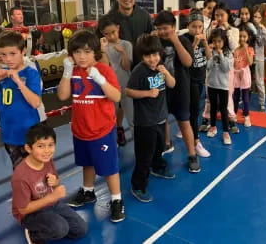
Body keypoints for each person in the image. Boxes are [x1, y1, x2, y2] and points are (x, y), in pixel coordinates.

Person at [56, 29, 125, 223]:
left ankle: (116, 200)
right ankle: (88, 192)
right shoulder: (74, 72)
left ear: (95, 52)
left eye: (86, 52)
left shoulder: (104, 70)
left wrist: (100, 80)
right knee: (86, 162)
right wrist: (67, 72)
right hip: (80, 129)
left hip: (102, 129)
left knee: (109, 167)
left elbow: (117, 96)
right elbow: (62, 95)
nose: (82, 56)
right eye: (77, 52)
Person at [11, 123, 88, 244]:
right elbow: (23, 210)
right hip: (31, 213)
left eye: (50, 145)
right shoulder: (20, 176)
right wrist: (52, 197)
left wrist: (55, 182)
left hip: (51, 204)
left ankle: (51, 222)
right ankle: (34, 234)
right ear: (28, 148)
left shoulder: (47, 160)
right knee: (60, 229)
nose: (47, 151)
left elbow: (55, 183)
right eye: (40, 146)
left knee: (80, 230)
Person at [126, 34, 176, 202]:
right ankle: (138, 185)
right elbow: (128, 91)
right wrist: (147, 93)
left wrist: (166, 73)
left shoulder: (161, 66)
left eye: (155, 54)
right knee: (144, 155)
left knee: (159, 147)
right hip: (145, 121)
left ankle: (158, 167)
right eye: (148, 56)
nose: (153, 59)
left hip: (161, 118)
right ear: (142, 56)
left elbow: (172, 84)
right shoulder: (139, 70)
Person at [0, 31, 42, 168]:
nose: (8, 59)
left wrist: (19, 82)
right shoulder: (1, 76)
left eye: (12, 54)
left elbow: (35, 102)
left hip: (30, 133)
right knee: (20, 172)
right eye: (3, 55)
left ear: (23, 51)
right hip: (9, 133)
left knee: (37, 171)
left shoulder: (30, 73)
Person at [154, 10, 201, 173]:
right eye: (159, 28)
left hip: (181, 89)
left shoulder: (182, 40)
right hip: (161, 89)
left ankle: (192, 155)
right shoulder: (156, 43)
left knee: (184, 121)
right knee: (162, 119)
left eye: (165, 28)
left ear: (173, 27)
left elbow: (188, 62)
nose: (162, 32)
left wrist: (175, 40)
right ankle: (166, 144)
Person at [0, 27, 47, 130]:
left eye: (11, 52)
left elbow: (37, 92)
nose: (0, 56)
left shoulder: (28, 64)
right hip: (8, 121)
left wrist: (17, 80)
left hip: (35, 118)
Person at [199, 3, 240, 134]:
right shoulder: (211, 28)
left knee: (227, 95)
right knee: (208, 96)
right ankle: (207, 119)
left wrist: (227, 29)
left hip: (226, 66)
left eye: (222, 15)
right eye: (217, 15)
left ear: (228, 15)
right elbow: (206, 44)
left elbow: (234, 47)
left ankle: (231, 119)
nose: (219, 17)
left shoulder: (234, 30)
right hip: (212, 66)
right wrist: (212, 30)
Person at [97, 15, 133, 146]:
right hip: (110, 88)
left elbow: (127, 66)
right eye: (107, 34)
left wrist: (123, 52)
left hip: (126, 85)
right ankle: (112, 144)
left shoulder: (126, 44)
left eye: (113, 32)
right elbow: (105, 67)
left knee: (132, 118)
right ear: (102, 34)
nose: (111, 36)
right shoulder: (102, 47)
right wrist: (103, 51)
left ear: (118, 28)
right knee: (110, 118)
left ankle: (140, 150)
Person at [182, 10, 211, 157]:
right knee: (194, 112)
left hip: (200, 78)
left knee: (193, 110)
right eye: (194, 26)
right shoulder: (184, 39)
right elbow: (187, 60)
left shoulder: (203, 38)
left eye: (200, 27)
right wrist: (195, 43)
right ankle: (196, 142)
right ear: (188, 26)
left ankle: (186, 128)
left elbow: (209, 57)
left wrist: (205, 43)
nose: (197, 30)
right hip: (189, 80)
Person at [106, 0, 153, 66]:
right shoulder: (109, 18)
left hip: (142, 63)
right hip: (118, 66)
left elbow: (151, 39)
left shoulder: (144, 15)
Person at [206, 28, 233, 145]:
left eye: (219, 41)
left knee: (223, 108)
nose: (217, 44)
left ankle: (226, 132)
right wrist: (213, 55)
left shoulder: (228, 53)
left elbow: (226, 68)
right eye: (214, 41)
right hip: (211, 84)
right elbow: (208, 66)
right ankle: (212, 126)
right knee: (212, 106)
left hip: (223, 85)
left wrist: (221, 55)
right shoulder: (210, 51)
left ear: (224, 41)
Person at [233, 26, 255, 127]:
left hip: (245, 74)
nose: (242, 38)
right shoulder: (236, 49)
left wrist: (246, 50)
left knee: (245, 98)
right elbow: (233, 63)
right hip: (236, 74)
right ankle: (233, 115)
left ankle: (246, 116)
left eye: (244, 36)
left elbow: (250, 63)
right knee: (236, 97)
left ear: (248, 38)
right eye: (240, 36)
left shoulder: (250, 49)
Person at [252, 5, 266, 112]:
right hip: (248, 57)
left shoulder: (263, 28)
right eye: (254, 16)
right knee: (245, 80)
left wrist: (264, 33)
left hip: (258, 58)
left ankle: (262, 103)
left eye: (258, 17)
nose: (256, 19)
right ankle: (241, 97)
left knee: (259, 81)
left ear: (262, 18)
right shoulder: (249, 27)